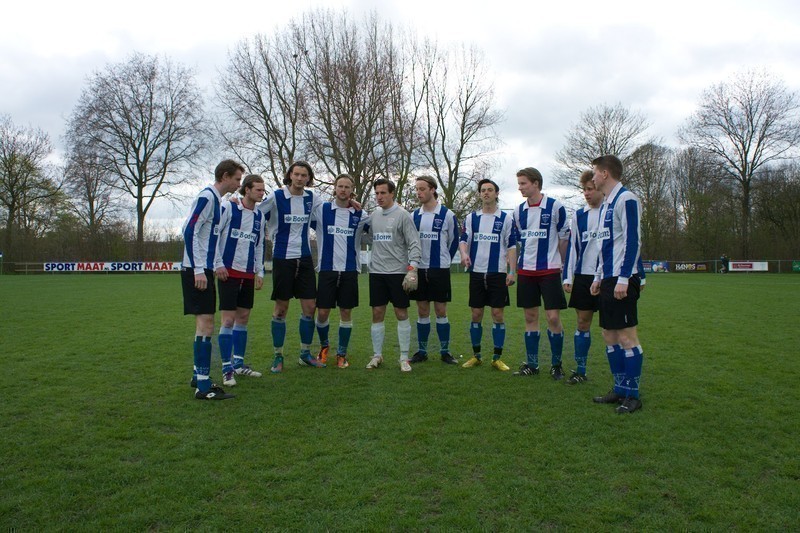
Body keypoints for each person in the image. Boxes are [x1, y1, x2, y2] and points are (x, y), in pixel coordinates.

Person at [181, 159, 243, 400]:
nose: (238, 184)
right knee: (206, 324)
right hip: (196, 269)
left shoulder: (217, 201)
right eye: (237, 179)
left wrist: (216, 263)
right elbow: (189, 230)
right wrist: (198, 268)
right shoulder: (207, 197)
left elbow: (210, 238)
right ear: (225, 176)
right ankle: (204, 388)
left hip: (204, 268)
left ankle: (198, 376)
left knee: (204, 324)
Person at [256, 161, 325, 373]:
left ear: (308, 178)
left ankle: (305, 354)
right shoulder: (277, 196)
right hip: (282, 258)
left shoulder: (312, 198)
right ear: (290, 175)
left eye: (304, 175)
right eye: (297, 174)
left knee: (310, 307)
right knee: (281, 308)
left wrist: (351, 202)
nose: (300, 178)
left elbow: (330, 210)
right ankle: (278, 356)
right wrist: (237, 202)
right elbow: (255, 212)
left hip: (304, 258)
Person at [590, 155, 646, 414]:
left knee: (626, 336)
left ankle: (633, 395)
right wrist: (598, 276)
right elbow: (605, 246)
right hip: (608, 279)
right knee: (609, 335)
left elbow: (633, 241)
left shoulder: (627, 199)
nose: (592, 177)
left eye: (594, 172)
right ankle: (620, 388)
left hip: (623, 278)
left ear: (604, 173)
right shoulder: (606, 204)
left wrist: (624, 278)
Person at [512, 167, 570, 380]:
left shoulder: (555, 207)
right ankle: (532, 364)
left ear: (536, 183)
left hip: (550, 270)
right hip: (526, 271)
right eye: (519, 184)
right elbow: (518, 240)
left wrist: (561, 263)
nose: (520, 188)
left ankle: (556, 365)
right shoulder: (518, 211)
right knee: (530, 316)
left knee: (553, 318)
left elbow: (564, 238)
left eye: (523, 183)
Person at [311, 174, 370, 369]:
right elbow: (301, 208)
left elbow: (378, 225)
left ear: (352, 190)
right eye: (340, 186)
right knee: (322, 312)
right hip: (327, 269)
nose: (343, 190)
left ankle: (342, 353)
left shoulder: (360, 214)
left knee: (346, 311)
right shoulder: (322, 210)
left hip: (349, 270)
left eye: (347, 187)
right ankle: (324, 347)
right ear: (334, 188)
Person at [214, 174, 268, 387]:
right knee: (228, 320)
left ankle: (238, 364)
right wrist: (218, 263)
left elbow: (259, 245)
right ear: (247, 190)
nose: (262, 193)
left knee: (243, 318)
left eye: (263, 190)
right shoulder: (229, 208)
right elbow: (216, 235)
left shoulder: (260, 216)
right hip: (228, 272)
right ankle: (226, 368)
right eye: (258, 190)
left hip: (247, 273)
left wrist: (260, 272)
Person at [459, 179, 517, 371]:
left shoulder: (506, 219)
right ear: (479, 194)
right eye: (483, 190)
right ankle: (476, 356)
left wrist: (511, 271)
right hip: (476, 272)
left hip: (497, 273)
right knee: (476, 313)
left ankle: (496, 358)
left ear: (496, 194)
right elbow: (463, 239)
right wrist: (464, 254)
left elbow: (511, 245)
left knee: (497, 314)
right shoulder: (471, 218)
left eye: (490, 190)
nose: (486, 193)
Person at [365, 178, 422, 372]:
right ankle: (377, 355)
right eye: (377, 193)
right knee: (377, 313)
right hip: (377, 272)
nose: (379, 197)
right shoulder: (373, 216)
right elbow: (369, 238)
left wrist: (412, 268)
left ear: (392, 194)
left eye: (383, 193)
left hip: (398, 272)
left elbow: (414, 243)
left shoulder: (403, 215)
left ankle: (404, 358)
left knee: (401, 313)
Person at [408, 176, 461, 366]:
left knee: (440, 310)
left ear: (432, 190)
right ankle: (422, 352)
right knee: (422, 310)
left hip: (439, 269)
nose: (418, 192)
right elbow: (410, 241)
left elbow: (454, 241)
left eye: (422, 189)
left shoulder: (447, 214)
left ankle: (445, 352)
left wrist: (444, 259)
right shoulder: (414, 215)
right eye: (417, 189)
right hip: (419, 269)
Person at [562, 170, 604, 384]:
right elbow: (573, 247)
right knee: (582, 322)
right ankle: (580, 370)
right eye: (584, 190)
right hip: (584, 276)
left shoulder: (611, 211)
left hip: (608, 277)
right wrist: (568, 277)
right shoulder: (579, 216)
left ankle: (621, 377)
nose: (587, 193)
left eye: (591, 189)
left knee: (612, 328)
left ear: (601, 189)